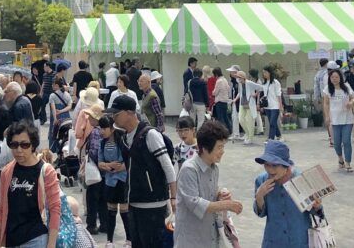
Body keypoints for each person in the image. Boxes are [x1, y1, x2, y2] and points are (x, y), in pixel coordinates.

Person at [109, 95, 178, 248]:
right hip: (134, 203)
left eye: (116, 113)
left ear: (129, 112)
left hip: (153, 204)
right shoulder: (125, 137)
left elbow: (168, 166)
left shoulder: (150, 135)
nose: (113, 117)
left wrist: (173, 197)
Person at [175, 120, 243, 248]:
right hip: (191, 240)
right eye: (219, 147)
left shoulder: (214, 168)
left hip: (210, 238)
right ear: (205, 148)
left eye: (223, 147)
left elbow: (210, 195)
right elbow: (195, 204)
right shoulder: (189, 169)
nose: (222, 151)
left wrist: (220, 195)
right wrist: (227, 205)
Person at [0, 120, 62, 248]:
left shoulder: (46, 171)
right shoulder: (7, 172)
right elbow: (1, 208)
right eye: (14, 145)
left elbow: (55, 209)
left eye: (24, 145)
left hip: (36, 238)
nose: (19, 150)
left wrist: (51, 245)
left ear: (33, 145)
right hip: (11, 239)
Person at [253, 140, 322, 247]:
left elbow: (316, 212)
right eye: (266, 165)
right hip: (273, 241)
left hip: (299, 241)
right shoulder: (261, 180)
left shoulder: (301, 179)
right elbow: (261, 213)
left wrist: (317, 206)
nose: (270, 170)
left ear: (285, 165)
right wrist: (259, 196)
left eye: (274, 165)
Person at [97, 114, 131, 248]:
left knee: (124, 212)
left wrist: (114, 167)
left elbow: (126, 162)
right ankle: (109, 241)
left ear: (112, 129)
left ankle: (129, 240)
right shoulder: (102, 143)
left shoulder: (121, 140)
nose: (101, 131)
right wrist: (108, 165)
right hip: (109, 181)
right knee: (110, 212)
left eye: (104, 128)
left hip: (122, 180)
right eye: (100, 128)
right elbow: (100, 162)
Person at [80, 104, 107, 236]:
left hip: (95, 171)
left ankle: (91, 225)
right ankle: (105, 224)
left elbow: (95, 151)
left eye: (90, 116)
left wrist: (89, 158)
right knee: (103, 199)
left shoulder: (96, 131)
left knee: (92, 198)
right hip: (105, 172)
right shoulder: (106, 130)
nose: (88, 118)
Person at [324, 68, 354, 172]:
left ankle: (348, 163)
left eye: (336, 77)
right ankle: (340, 158)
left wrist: (351, 103)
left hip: (347, 119)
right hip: (335, 120)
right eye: (332, 77)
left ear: (340, 78)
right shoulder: (327, 89)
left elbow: (352, 98)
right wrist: (327, 116)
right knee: (337, 143)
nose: (334, 79)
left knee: (346, 141)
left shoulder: (346, 87)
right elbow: (326, 104)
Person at [49, 77, 74, 153]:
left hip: (57, 118)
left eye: (53, 84)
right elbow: (70, 106)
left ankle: (55, 149)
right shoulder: (67, 94)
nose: (52, 86)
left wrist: (55, 118)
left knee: (55, 134)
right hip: (66, 117)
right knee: (65, 134)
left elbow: (53, 109)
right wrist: (62, 111)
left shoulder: (52, 95)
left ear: (57, 85)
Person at [260, 67, 283, 141]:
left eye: (265, 72)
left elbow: (279, 94)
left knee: (272, 123)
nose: (264, 74)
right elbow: (265, 94)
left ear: (270, 73)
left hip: (275, 106)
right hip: (267, 106)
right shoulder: (264, 83)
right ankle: (279, 135)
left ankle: (271, 138)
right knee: (272, 122)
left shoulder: (275, 82)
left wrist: (280, 105)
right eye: (263, 73)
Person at [236, 70, 258, 145]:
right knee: (241, 119)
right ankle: (247, 134)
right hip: (242, 103)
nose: (238, 79)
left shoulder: (249, 83)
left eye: (239, 77)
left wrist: (255, 94)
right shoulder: (239, 84)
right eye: (237, 77)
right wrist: (235, 99)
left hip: (249, 104)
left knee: (249, 121)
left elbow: (260, 87)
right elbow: (240, 92)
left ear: (243, 77)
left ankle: (250, 137)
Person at [41, 61, 56, 125]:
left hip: (51, 93)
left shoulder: (54, 74)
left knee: (51, 107)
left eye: (44, 67)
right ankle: (43, 119)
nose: (44, 68)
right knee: (42, 105)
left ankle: (52, 120)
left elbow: (54, 84)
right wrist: (41, 92)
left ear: (48, 67)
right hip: (45, 93)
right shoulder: (44, 74)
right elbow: (43, 83)